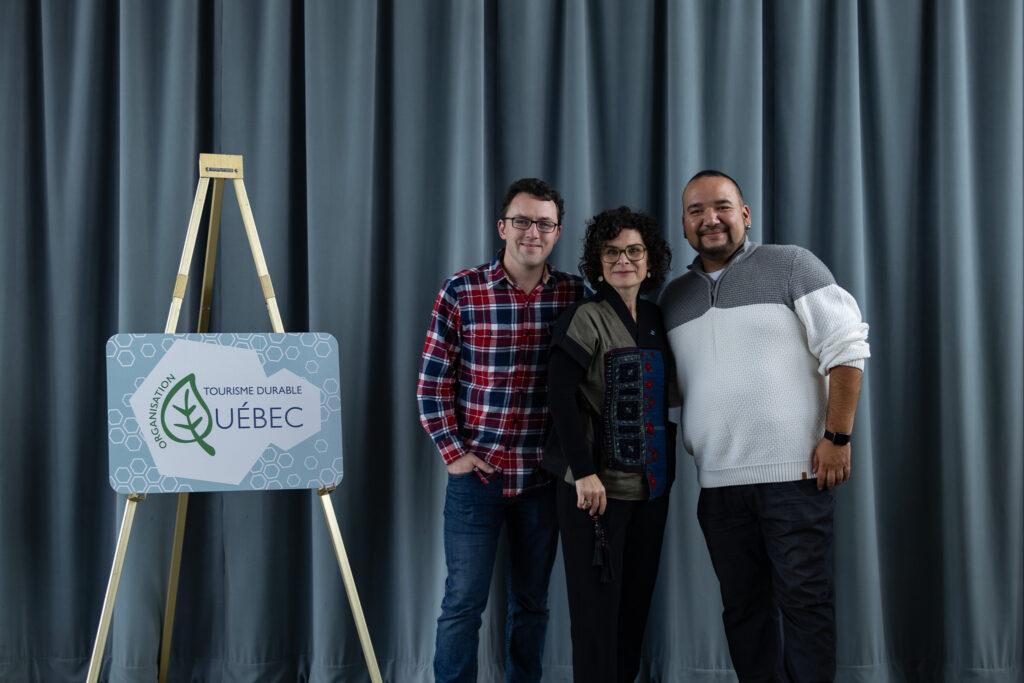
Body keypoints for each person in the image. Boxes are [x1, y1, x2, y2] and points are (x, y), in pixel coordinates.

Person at [659, 170, 870, 683]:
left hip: (796, 476)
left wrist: (838, 438)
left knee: (805, 605)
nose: (710, 219)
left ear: (745, 215)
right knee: (744, 611)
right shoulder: (672, 300)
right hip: (719, 487)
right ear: (684, 225)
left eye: (722, 207)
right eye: (696, 211)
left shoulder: (792, 265)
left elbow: (847, 349)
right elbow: (676, 389)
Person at [417, 177, 585, 683]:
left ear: (557, 233)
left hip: (542, 481)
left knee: (532, 604)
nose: (531, 232)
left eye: (544, 223)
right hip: (478, 478)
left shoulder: (576, 295)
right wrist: (453, 452)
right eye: (522, 221)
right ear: (502, 227)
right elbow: (431, 383)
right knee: (463, 603)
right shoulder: (462, 291)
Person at [543, 206, 676, 682]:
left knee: (634, 611)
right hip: (593, 493)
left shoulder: (659, 319)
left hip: (650, 492)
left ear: (650, 258)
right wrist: (583, 473)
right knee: (596, 618)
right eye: (612, 251)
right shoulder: (584, 316)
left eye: (634, 250)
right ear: (598, 261)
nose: (624, 259)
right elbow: (558, 396)